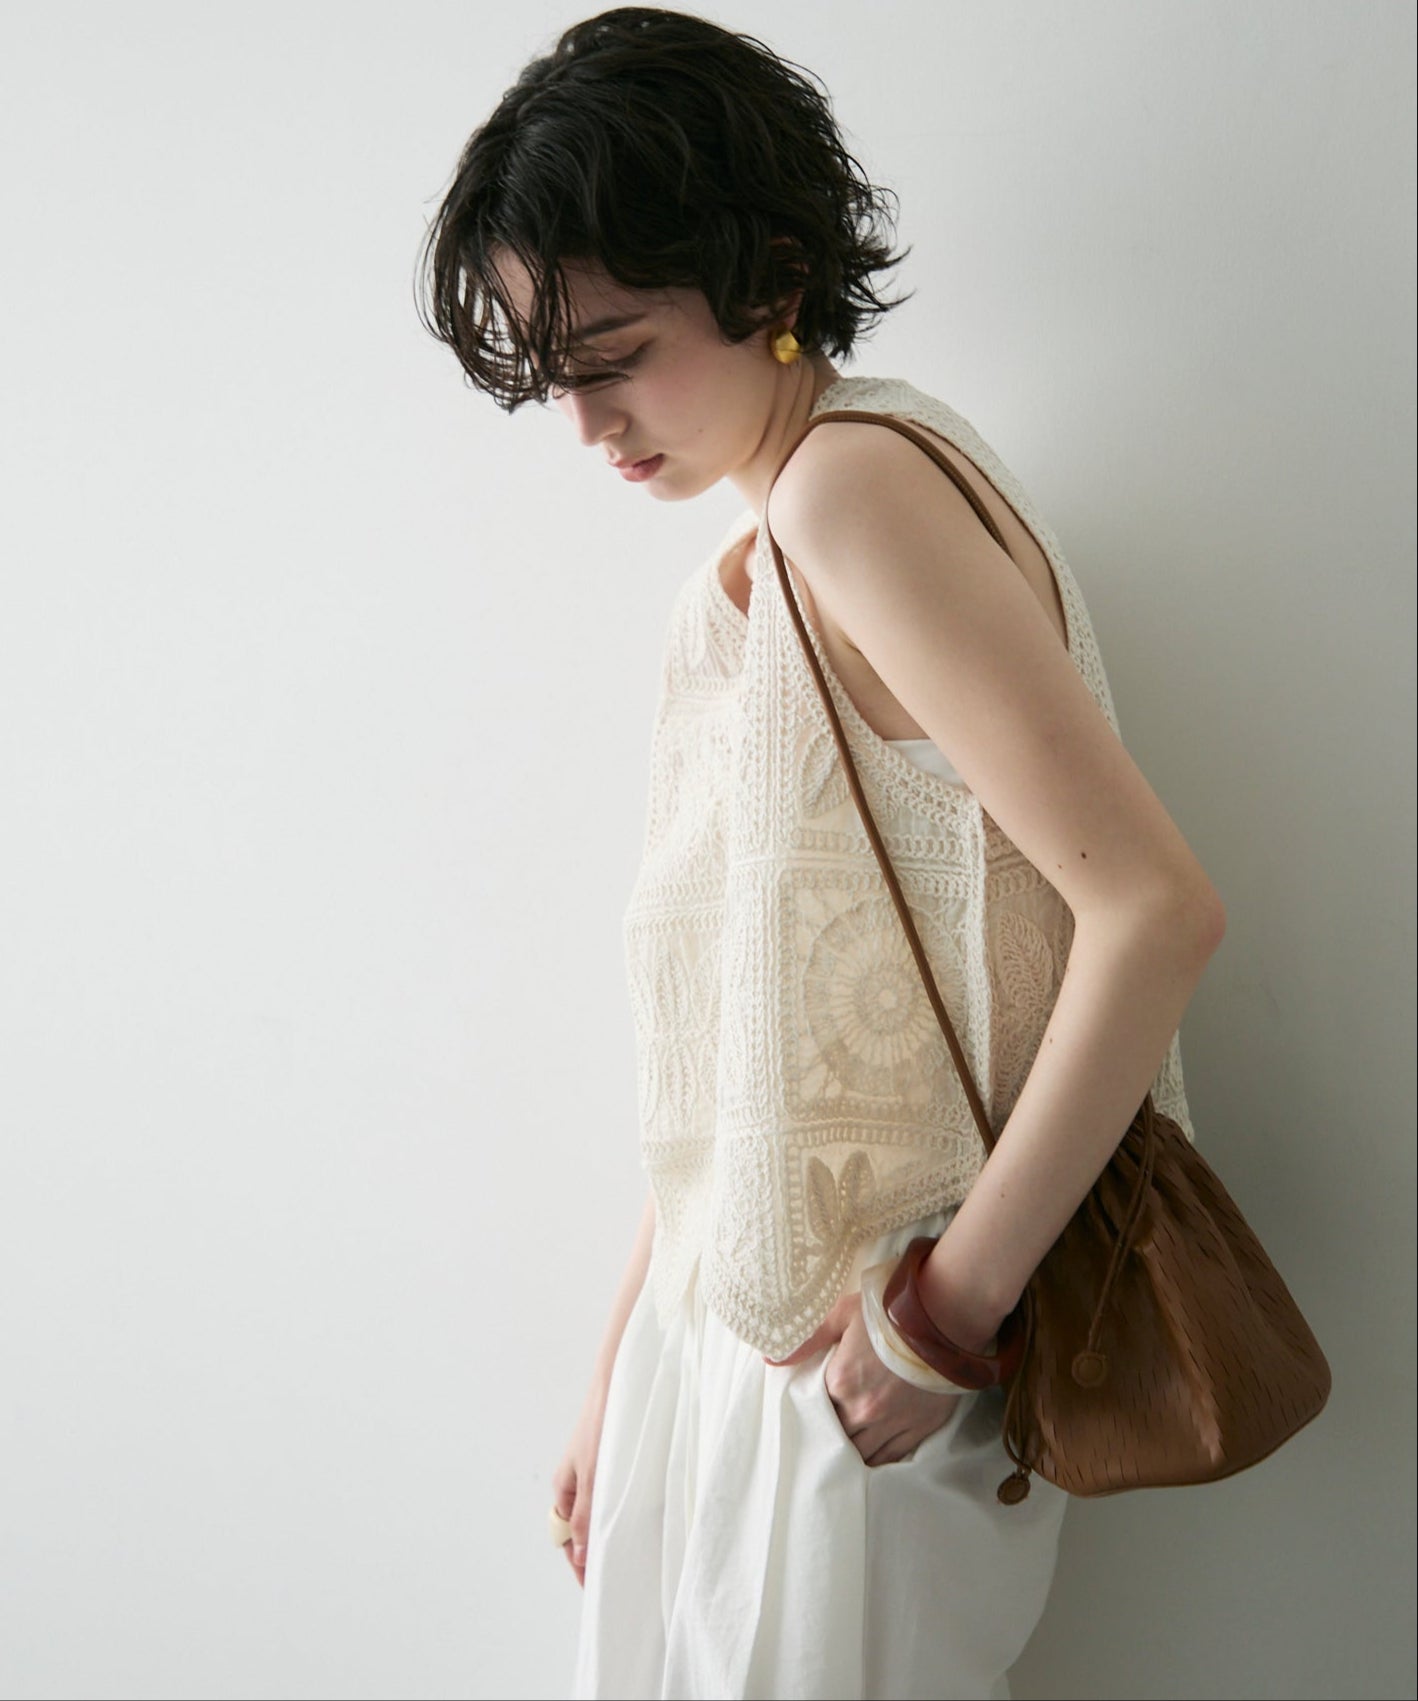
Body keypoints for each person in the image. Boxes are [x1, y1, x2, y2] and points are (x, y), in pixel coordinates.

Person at [416, 9, 1225, 1698]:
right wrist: (626, 1370)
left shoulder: (852, 493)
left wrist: (936, 1322)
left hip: (854, 1353)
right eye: (554, 377)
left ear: (769, 274)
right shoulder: (789, 527)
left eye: (617, 352)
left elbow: (1152, 912)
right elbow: (741, 1041)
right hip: (747, 1335)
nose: (588, 426)